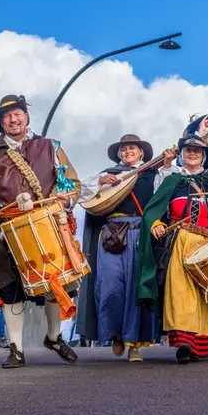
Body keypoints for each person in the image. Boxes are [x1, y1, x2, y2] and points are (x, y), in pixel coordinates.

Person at [0, 94, 81, 368]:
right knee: (11, 290)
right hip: (8, 230)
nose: (13, 119)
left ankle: (55, 337)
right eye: (7, 116)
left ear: (26, 117)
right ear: (2, 123)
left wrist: (66, 200)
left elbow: (71, 183)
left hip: (46, 227)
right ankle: (16, 350)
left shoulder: (51, 147)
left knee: (52, 282)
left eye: (17, 114)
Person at [136, 134, 208, 364]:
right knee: (180, 293)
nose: (192, 153)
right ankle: (184, 344)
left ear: (204, 156)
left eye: (197, 150)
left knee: (204, 295)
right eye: (188, 150)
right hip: (180, 242)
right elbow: (155, 211)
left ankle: (201, 345)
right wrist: (156, 225)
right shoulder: (172, 182)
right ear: (182, 155)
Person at [77, 134, 161, 362]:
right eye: (124, 148)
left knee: (137, 288)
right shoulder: (108, 174)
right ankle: (116, 334)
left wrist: (170, 163)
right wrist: (99, 183)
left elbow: (164, 196)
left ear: (142, 152)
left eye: (132, 148)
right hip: (111, 236)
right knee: (110, 285)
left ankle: (135, 345)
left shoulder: (152, 174)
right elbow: (81, 193)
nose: (128, 151)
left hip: (139, 235)